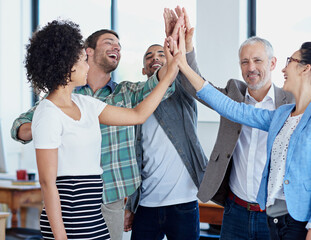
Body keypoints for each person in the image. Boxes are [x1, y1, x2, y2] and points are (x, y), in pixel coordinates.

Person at [11, 17, 183, 240]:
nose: (86, 65)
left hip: (95, 213)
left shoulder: (89, 104)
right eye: (82, 60)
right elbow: (47, 182)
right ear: (69, 64)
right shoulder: (48, 112)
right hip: (69, 215)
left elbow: (138, 115)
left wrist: (169, 74)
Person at [173, 28, 311, 240]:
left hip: (303, 224)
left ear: (306, 69)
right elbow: (233, 109)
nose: (284, 68)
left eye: (290, 61)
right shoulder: (282, 114)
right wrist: (183, 63)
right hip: (275, 220)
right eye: (244, 61)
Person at [163, 7, 294, 239]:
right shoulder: (233, 94)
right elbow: (197, 87)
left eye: (257, 60)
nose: (250, 68)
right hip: (236, 211)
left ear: (273, 63)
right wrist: (187, 47)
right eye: (244, 62)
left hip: (274, 214)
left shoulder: (290, 103)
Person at [123, 40, 208, 240]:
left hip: (183, 203)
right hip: (146, 204)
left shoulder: (183, 91)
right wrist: (130, 205)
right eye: (149, 56)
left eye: (161, 54)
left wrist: (185, 49)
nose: (155, 58)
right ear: (143, 70)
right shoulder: (137, 102)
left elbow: (195, 78)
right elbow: (135, 160)